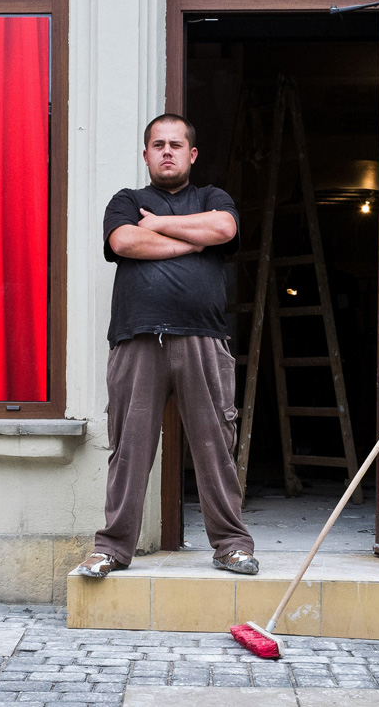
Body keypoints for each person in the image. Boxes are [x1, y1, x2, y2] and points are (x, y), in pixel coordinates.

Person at [76, 114, 258, 578]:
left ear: (192, 154)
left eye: (176, 145)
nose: (168, 152)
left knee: (216, 444)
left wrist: (160, 226)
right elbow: (124, 240)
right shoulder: (128, 201)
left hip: (203, 338)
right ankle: (113, 548)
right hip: (138, 339)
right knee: (129, 448)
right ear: (146, 154)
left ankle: (231, 545)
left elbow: (223, 230)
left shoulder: (212, 198)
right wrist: (189, 241)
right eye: (158, 145)